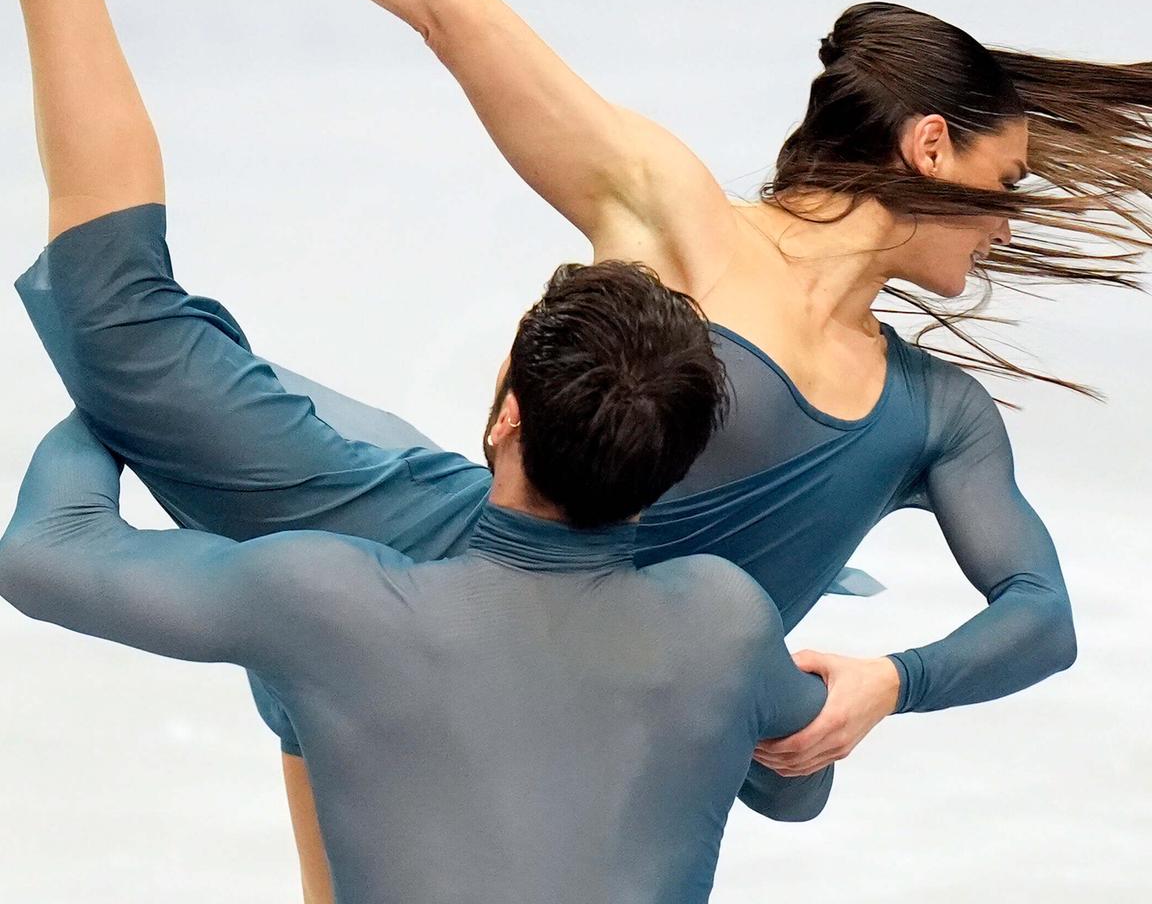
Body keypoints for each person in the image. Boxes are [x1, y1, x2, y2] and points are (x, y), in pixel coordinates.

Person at [2, 0, 1086, 896]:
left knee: (153, 417)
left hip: (623, 649)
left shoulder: (931, 413)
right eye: (1008, 181)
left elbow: (1041, 613)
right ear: (929, 144)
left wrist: (899, 678)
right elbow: (443, 6)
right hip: (435, 543)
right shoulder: (673, 209)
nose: (1010, 218)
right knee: (121, 333)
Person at [0, 251, 839, 904]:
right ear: (673, 464)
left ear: (511, 416)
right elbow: (802, 785)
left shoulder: (332, 605)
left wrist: (129, 397)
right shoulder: (726, 621)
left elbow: (45, 553)